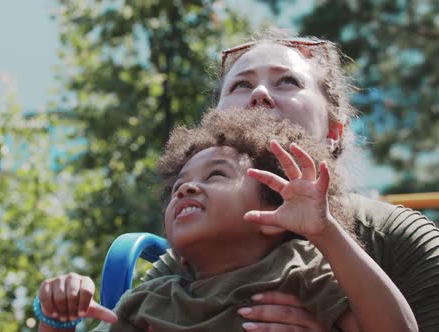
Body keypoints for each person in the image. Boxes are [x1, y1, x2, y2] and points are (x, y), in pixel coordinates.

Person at [144, 29, 439, 331]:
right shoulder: (184, 261)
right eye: (241, 85)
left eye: (288, 81)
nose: (259, 94)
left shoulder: (396, 237)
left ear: (333, 133)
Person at [35, 108, 417, 332]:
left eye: (215, 175)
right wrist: (56, 315)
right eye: (178, 187)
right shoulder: (149, 299)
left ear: (272, 214)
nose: (185, 190)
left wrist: (326, 232)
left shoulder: (299, 272)